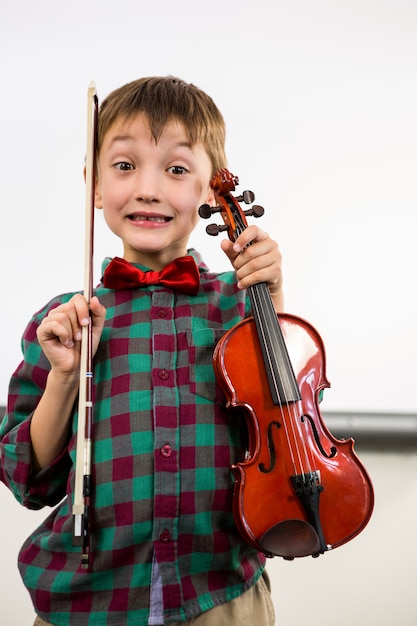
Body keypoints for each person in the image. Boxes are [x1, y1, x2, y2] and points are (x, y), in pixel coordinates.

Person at [0, 76, 283, 626]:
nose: (149, 189)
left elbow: (286, 439)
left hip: (220, 594)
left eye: (176, 169)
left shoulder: (239, 304)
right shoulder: (63, 321)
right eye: (125, 166)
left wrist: (270, 308)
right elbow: (28, 481)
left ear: (210, 190)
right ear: (95, 186)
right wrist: (63, 374)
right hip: (88, 601)